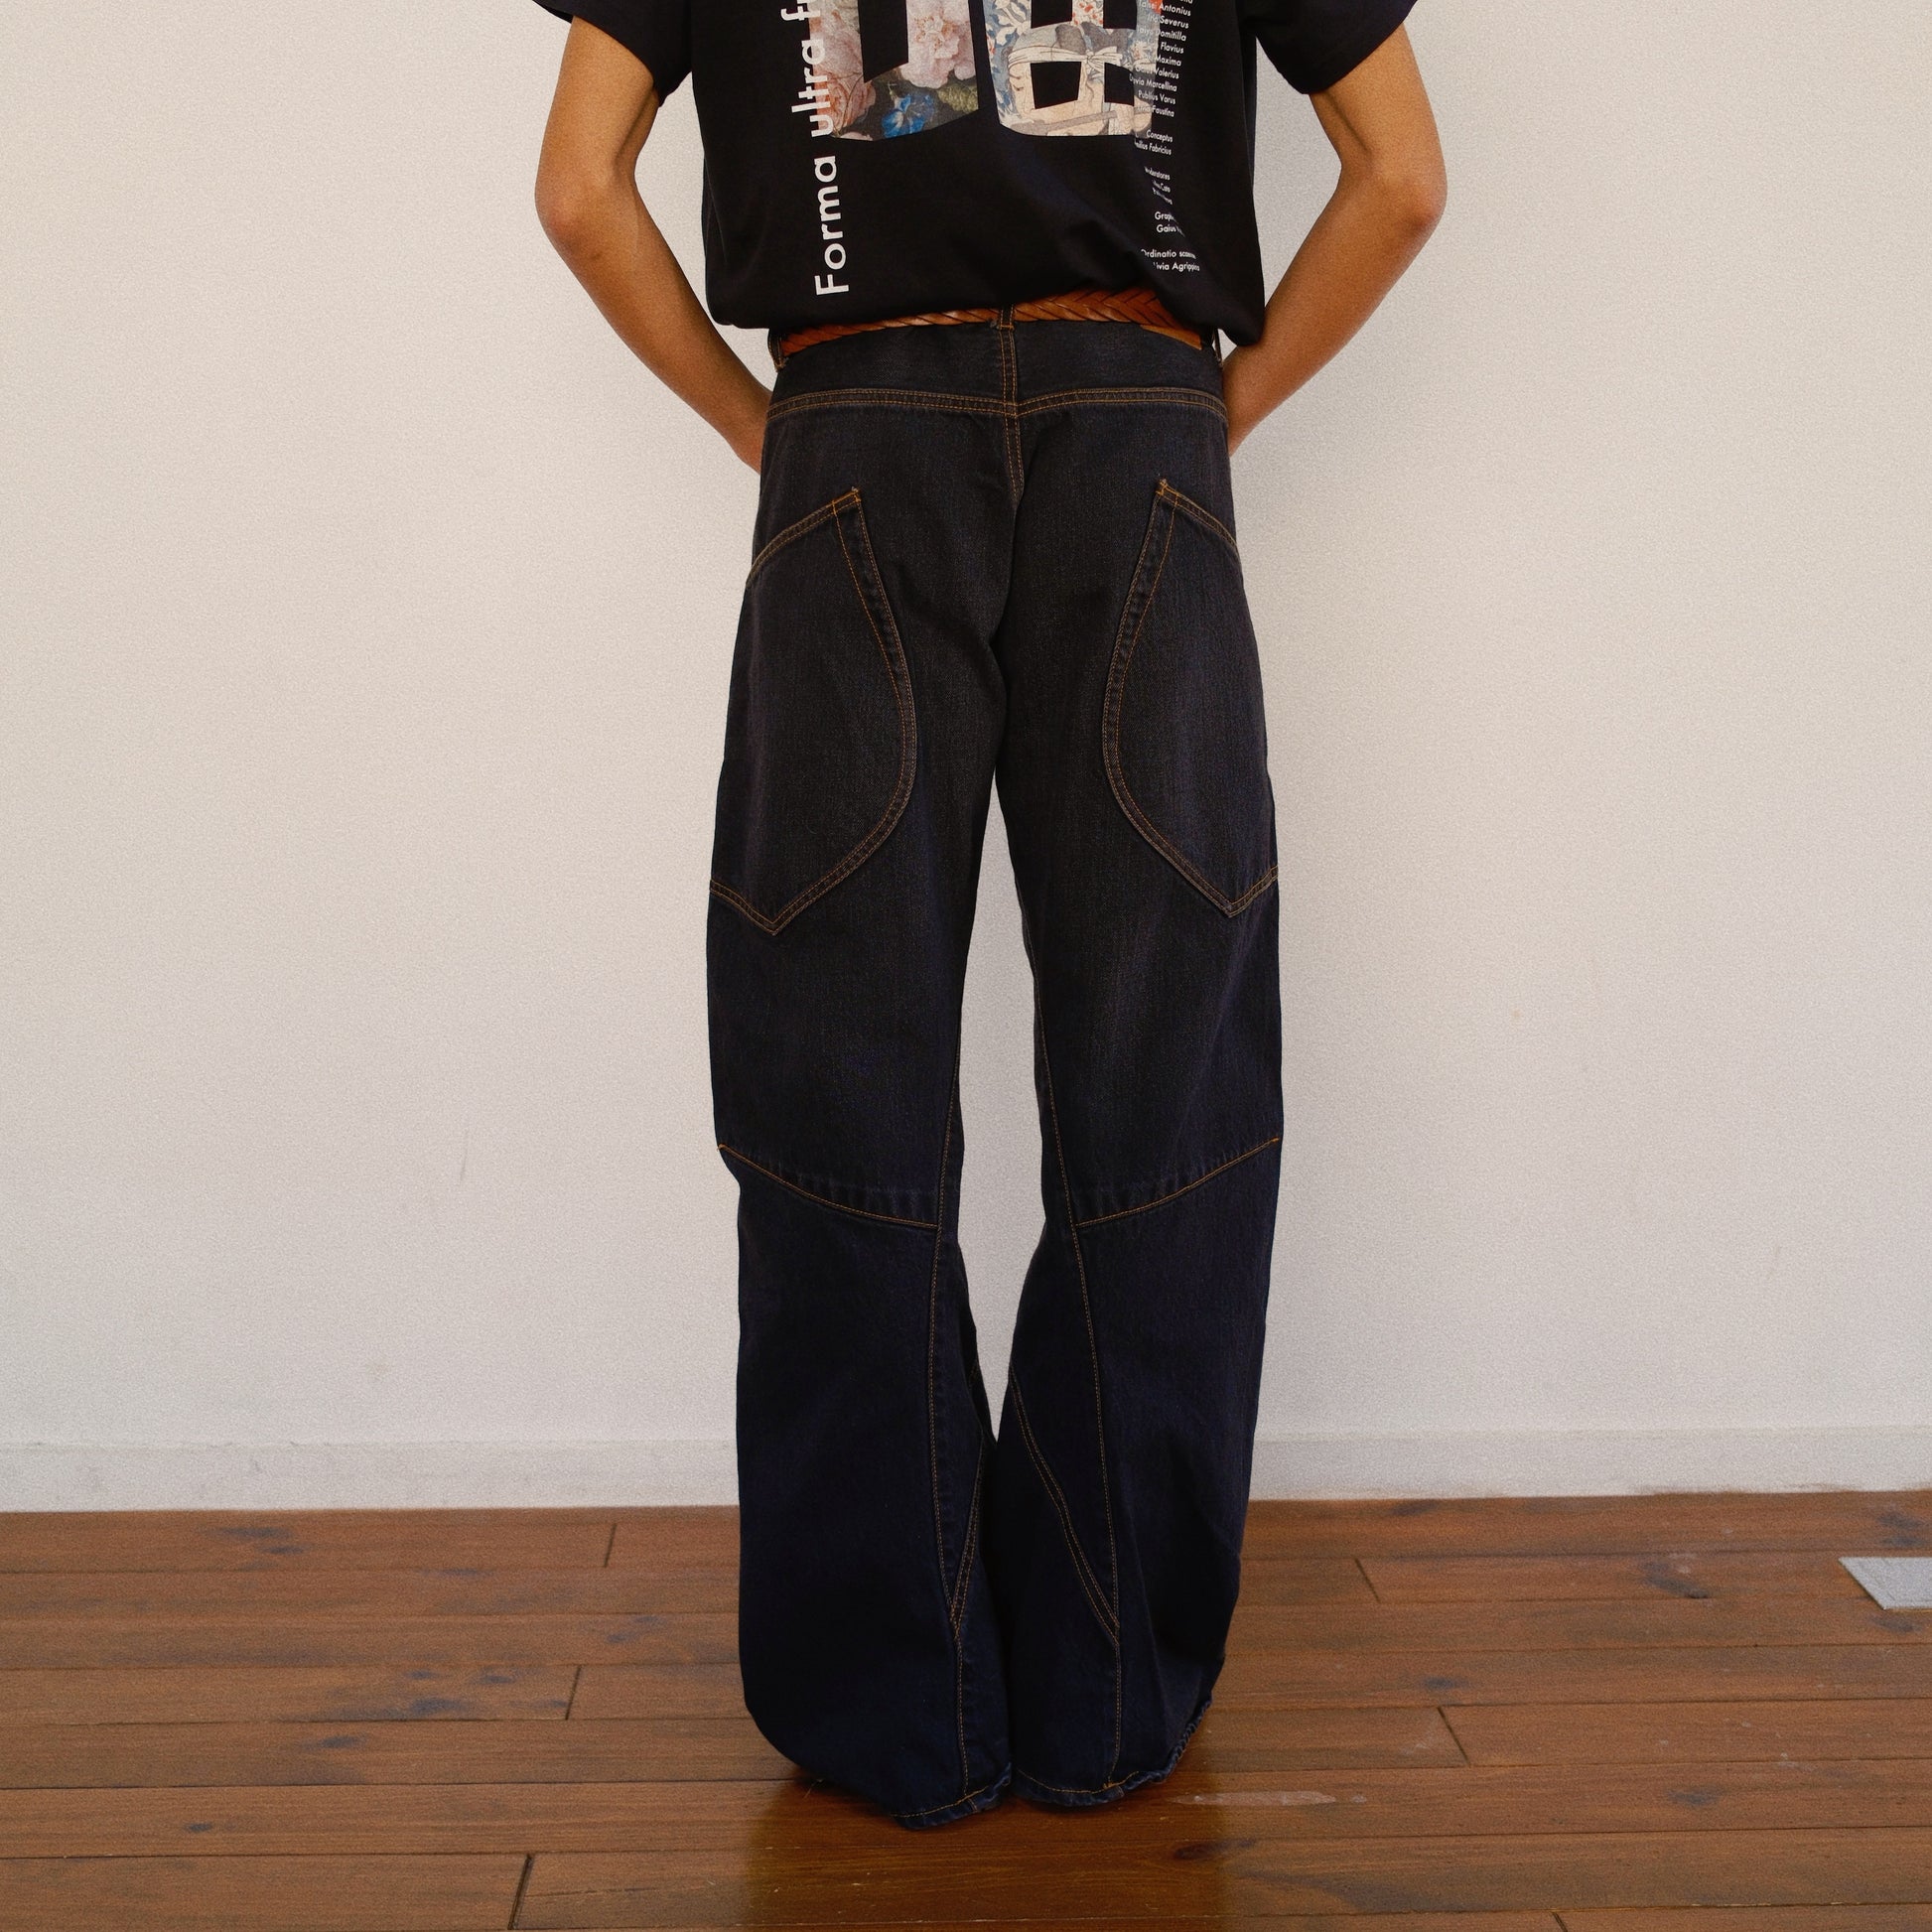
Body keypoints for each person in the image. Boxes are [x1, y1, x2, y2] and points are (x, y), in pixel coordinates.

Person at [530, 0, 1445, 1830]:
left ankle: (900, 1707)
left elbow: (577, 190)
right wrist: (1210, 412)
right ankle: (1105, 1697)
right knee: (1165, 1079)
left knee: (832, 1074)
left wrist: (764, 432)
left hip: (857, 430)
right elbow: (1401, 177)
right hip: (1140, 429)